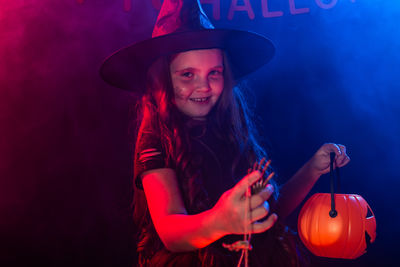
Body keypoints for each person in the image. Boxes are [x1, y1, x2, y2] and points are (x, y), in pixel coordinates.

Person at [100, 0, 350, 266]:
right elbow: (170, 232)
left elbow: (267, 214)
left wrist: (312, 170)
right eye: (187, 74)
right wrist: (220, 221)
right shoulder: (155, 134)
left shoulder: (232, 126)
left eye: (214, 73)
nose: (204, 86)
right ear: (163, 79)